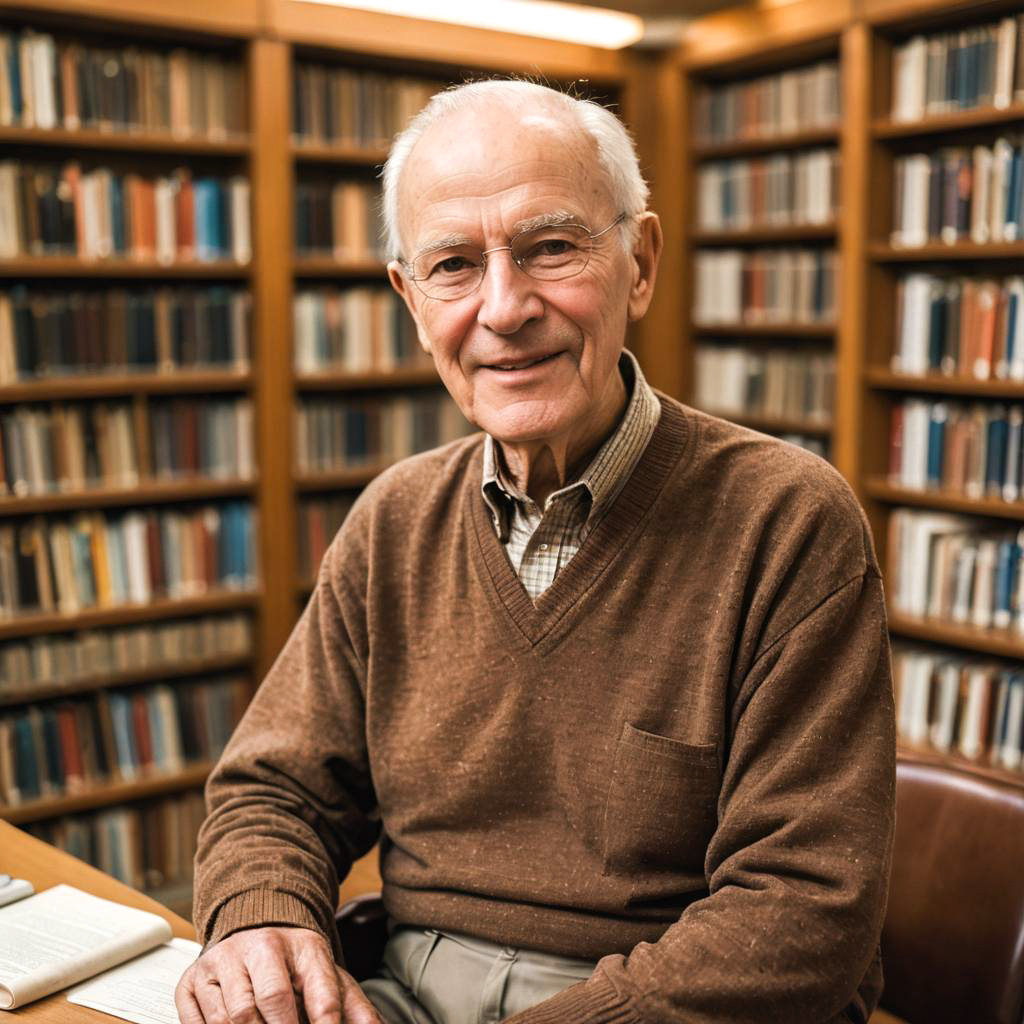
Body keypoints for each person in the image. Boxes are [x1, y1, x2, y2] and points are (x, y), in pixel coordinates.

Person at [176, 79, 895, 1024]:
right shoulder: (394, 520)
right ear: (410, 298)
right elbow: (271, 790)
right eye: (454, 265)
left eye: (551, 247)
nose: (505, 308)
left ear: (639, 262)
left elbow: (805, 912)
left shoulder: (786, 520)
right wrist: (261, 924)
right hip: (404, 991)